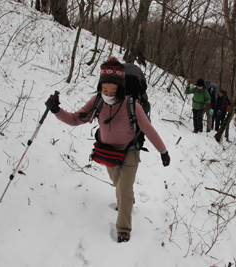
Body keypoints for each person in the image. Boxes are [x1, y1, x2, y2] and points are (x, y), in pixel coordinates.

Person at [45, 57, 170, 243]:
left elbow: (148, 130)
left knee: (124, 189)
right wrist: (56, 110)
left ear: (121, 88)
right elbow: (75, 119)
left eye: (113, 90)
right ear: (100, 87)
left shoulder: (131, 105)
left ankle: (124, 230)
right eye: (105, 90)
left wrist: (163, 151)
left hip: (129, 152)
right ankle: (129, 199)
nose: (108, 94)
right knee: (118, 185)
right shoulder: (97, 102)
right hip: (108, 153)